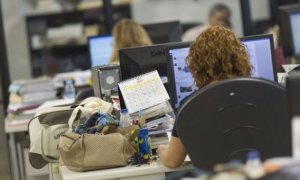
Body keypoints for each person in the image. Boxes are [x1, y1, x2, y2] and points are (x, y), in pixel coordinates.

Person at [157, 26, 252, 168]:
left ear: (197, 65)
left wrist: (161, 151)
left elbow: (172, 161)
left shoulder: (191, 104)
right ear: (239, 58)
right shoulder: (259, 92)